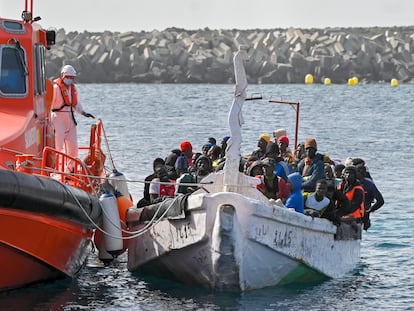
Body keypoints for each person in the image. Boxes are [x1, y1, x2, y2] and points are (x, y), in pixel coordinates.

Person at [51, 65, 94, 171]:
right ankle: (55, 169)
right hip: (58, 117)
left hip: (70, 118)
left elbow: (76, 104)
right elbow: (49, 104)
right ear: (62, 75)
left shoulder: (74, 90)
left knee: (73, 147)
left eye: (71, 77)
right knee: (58, 146)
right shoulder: (56, 88)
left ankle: (70, 170)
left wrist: (83, 113)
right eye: (68, 77)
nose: (69, 79)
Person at [356, 164, 384, 230]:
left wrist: (369, 210)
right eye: (358, 171)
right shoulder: (350, 183)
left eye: (362, 171)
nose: (360, 173)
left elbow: (380, 201)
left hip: (363, 216)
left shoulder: (369, 184)